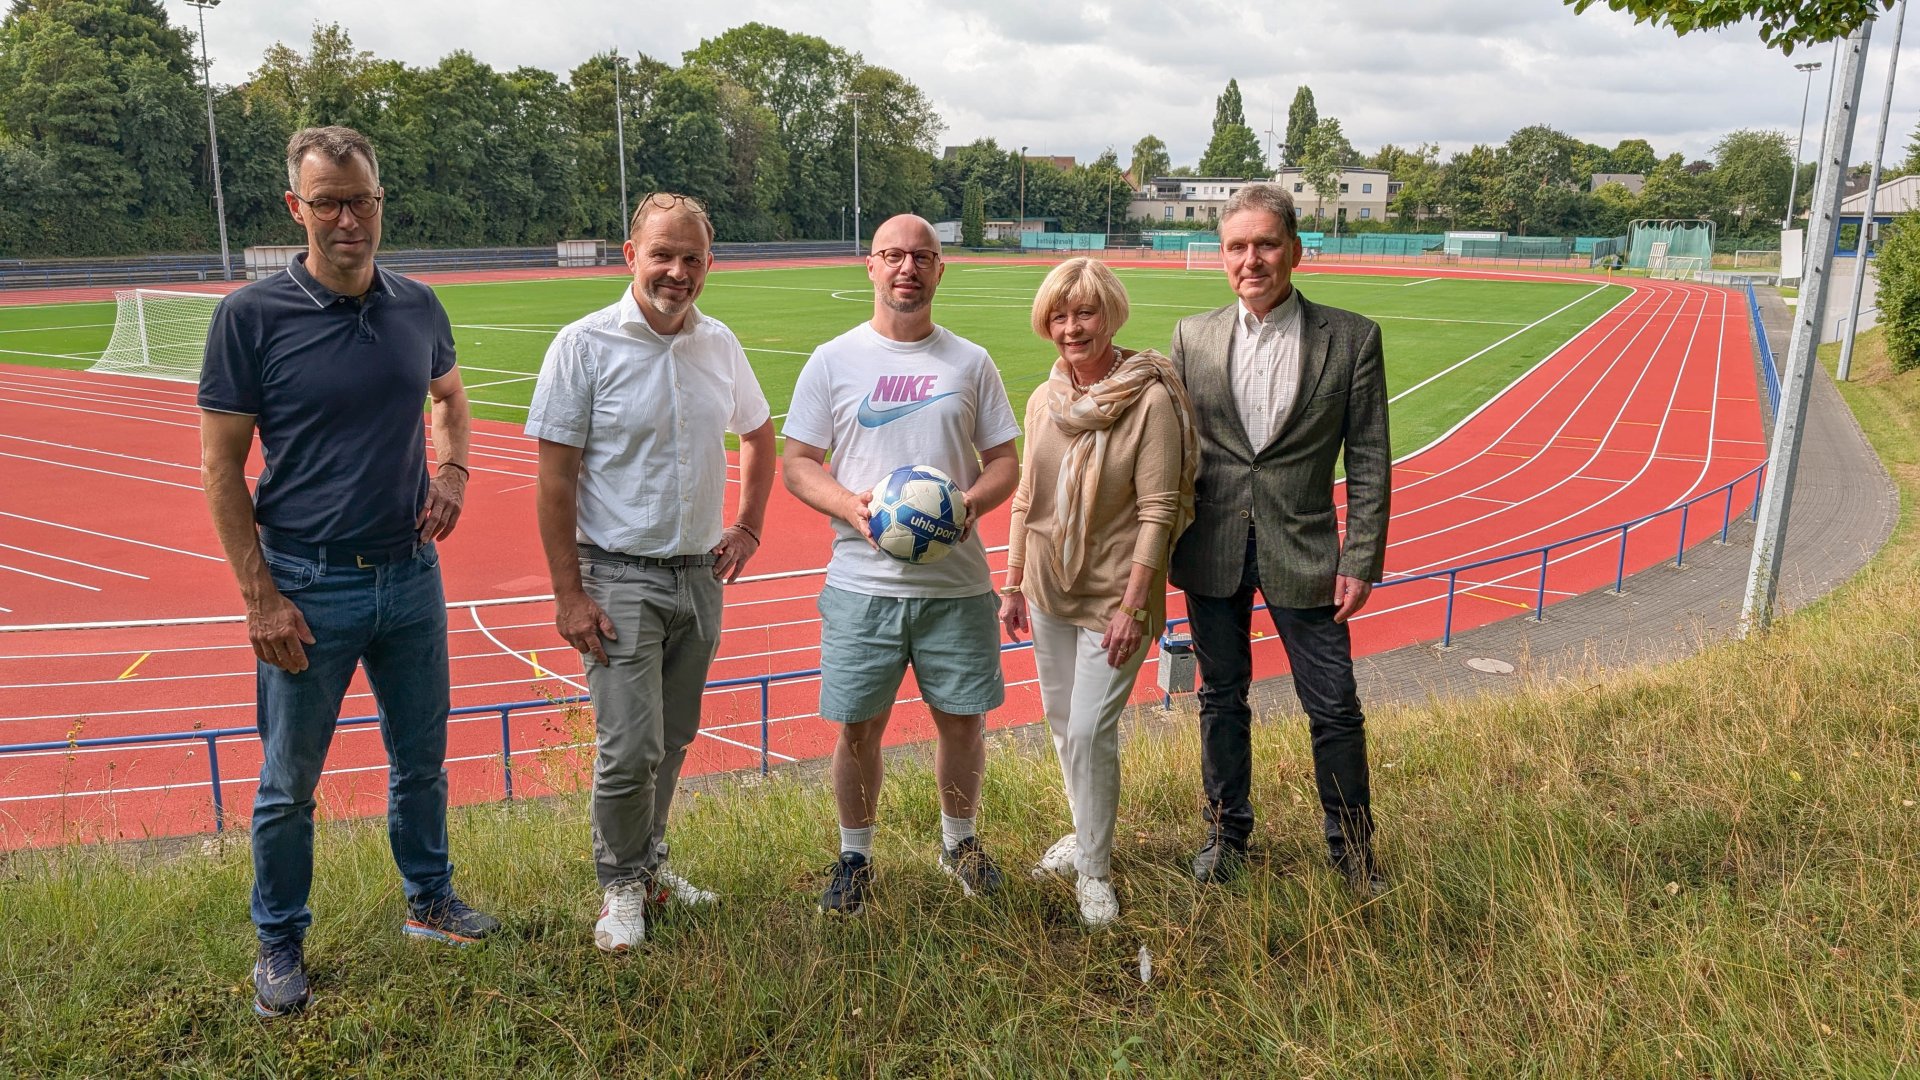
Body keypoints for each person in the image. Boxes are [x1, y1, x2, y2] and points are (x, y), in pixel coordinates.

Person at [198, 125, 498, 1019]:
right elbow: (220, 470)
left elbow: (448, 398)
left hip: (409, 579)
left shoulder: (418, 305)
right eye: (325, 201)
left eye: (360, 200)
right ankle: (280, 943)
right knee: (289, 786)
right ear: (296, 208)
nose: (346, 218)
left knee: (423, 761)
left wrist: (452, 471)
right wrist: (261, 597)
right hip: (306, 584)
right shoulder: (250, 317)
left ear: (379, 203)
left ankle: (430, 901)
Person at [527, 192, 775, 953]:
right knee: (629, 747)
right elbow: (554, 481)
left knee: (671, 740)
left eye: (692, 257)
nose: (677, 271)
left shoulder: (718, 343)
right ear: (630, 255)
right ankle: (620, 886)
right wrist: (570, 594)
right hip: (617, 576)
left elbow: (761, 436)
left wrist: (749, 526)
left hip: (699, 575)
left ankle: (652, 866)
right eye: (662, 254)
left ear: (709, 264)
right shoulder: (584, 345)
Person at [782, 214, 1022, 914]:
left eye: (922, 256)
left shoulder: (970, 361)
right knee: (858, 727)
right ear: (871, 266)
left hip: (957, 585)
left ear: (940, 269)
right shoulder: (833, 359)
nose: (907, 268)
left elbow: (1005, 460)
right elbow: (799, 463)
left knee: (962, 722)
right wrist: (850, 508)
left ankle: (960, 844)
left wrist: (970, 504)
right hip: (863, 585)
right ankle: (855, 857)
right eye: (893, 255)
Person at [1168, 183, 1392, 896]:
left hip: (1309, 553)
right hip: (1211, 548)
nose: (1251, 259)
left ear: (1295, 249)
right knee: (1220, 698)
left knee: (1332, 705)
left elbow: (1368, 458)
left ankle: (1352, 853)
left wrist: (1361, 557)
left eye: (1266, 244)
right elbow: (1170, 450)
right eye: (1237, 246)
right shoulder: (1191, 337)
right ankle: (1227, 835)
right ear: (1221, 256)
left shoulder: (1352, 337)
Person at [1000, 258, 1197, 926]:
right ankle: (1084, 832)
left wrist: (1133, 604)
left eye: (1084, 312)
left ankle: (1095, 870)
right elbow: (1027, 495)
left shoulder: (1149, 400)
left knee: (1090, 730)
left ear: (1110, 314)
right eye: (1060, 314)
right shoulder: (1044, 400)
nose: (1071, 326)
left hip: (1116, 596)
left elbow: (1159, 511)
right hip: (1049, 588)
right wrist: (1011, 582)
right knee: (1063, 728)